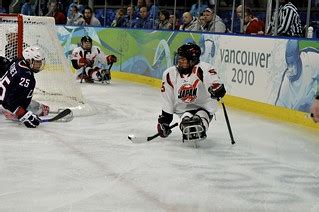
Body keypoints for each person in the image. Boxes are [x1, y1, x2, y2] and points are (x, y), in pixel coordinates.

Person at [157, 43, 226, 142]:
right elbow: (167, 98)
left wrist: (217, 88)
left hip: (204, 107)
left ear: (193, 61)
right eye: (179, 58)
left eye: (183, 60)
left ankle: (202, 122)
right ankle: (186, 121)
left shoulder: (203, 68)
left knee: (200, 119)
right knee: (186, 120)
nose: (179, 62)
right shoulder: (169, 74)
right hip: (183, 109)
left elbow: (213, 79)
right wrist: (165, 120)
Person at [0, 46, 49, 128]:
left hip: (4, 97)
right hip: (5, 105)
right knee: (38, 108)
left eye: (40, 62)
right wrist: (24, 114)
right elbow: (10, 102)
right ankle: (11, 112)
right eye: (37, 62)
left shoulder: (17, 61)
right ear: (28, 60)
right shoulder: (26, 77)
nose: (39, 65)